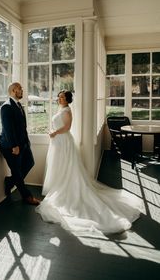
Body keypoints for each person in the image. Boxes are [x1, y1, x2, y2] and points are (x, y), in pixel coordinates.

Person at [36, 90, 143, 235]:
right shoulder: (61, 109)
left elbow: (67, 127)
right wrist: (53, 132)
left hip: (63, 142)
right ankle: (57, 186)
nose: (60, 99)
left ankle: (65, 190)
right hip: (57, 142)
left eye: (62, 97)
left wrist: (54, 133)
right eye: (59, 97)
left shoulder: (67, 110)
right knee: (58, 166)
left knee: (66, 167)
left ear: (67, 100)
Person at [0, 82, 40, 205]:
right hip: (11, 146)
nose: (22, 90)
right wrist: (14, 146)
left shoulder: (18, 105)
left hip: (23, 144)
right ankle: (27, 197)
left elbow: (22, 127)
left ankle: (10, 182)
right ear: (13, 91)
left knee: (30, 163)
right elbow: (8, 129)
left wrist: (26, 142)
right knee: (17, 171)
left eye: (21, 88)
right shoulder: (6, 107)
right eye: (19, 89)